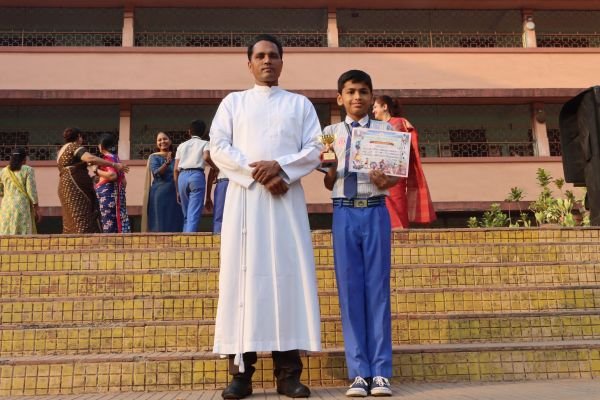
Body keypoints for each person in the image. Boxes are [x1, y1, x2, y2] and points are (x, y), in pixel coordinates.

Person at [210, 34, 322, 399]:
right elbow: (218, 147)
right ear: (249, 64)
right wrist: (259, 174)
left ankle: (288, 375)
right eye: (259, 56)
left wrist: (281, 168)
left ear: (282, 62)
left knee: (287, 281)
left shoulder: (300, 104)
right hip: (245, 202)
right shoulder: (233, 102)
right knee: (241, 283)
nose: (267, 61)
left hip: (286, 202)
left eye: (273, 55)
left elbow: (315, 148)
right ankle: (241, 376)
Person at [321, 70, 398, 397]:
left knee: (377, 290)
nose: (357, 97)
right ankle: (358, 373)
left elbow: (395, 176)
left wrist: (385, 180)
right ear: (340, 98)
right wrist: (331, 169)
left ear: (372, 97)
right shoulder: (328, 134)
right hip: (343, 211)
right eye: (350, 92)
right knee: (350, 290)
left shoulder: (386, 131)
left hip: (375, 209)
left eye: (363, 92)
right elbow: (327, 181)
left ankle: (380, 372)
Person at [372, 95, 436, 229]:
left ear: (385, 107)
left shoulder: (398, 122)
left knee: (396, 204)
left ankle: (400, 235)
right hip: (379, 174)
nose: (373, 111)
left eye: (375, 107)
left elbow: (398, 147)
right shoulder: (377, 127)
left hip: (394, 174)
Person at [58, 127, 128, 234]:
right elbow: (91, 159)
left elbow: (113, 176)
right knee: (81, 217)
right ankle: (84, 242)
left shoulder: (62, 150)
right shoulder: (74, 147)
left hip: (68, 186)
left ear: (101, 146)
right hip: (74, 187)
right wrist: (113, 165)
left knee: (73, 218)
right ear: (79, 137)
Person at [141, 132, 184, 232]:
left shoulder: (177, 157)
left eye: (165, 139)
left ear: (170, 141)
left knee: (175, 223)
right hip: (159, 194)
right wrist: (166, 163)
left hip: (175, 194)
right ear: (156, 143)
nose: (162, 141)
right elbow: (156, 173)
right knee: (159, 224)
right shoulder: (154, 157)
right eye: (159, 140)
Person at [173, 120, 210, 232]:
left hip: (182, 176)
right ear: (204, 133)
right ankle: (190, 240)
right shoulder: (205, 143)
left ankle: (186, 238)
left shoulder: (181, 146)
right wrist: (215, 167)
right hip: (197, 176)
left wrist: (177, 191)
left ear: (189, 132)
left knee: (186, 215)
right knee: (193, 214)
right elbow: (206, 157)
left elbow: (175, 169)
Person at [94, 133, 131, 233]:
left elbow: (112, 175)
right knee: (119, 223)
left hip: (108, 198)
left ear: (101, 146)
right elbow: (124, 182)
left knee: (109, 226)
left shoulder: (107, 159)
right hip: (118, 197)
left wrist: (96, 171)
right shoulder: (117, 159)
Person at [0, 147, 41, 234]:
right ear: (24, 159)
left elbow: (1, 191)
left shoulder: (3, 171)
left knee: (6, 231)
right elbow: (31, 190)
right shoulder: (28, 170)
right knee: (22, 233)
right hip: (22, 204)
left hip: (6, 205)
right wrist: (36, 206)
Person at [204, 158, 228, 234]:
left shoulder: (218, 154)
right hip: (234, 183)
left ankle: (217, 237)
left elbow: (211, 174)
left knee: (219, 217)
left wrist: (208, 197)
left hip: (223, 182)